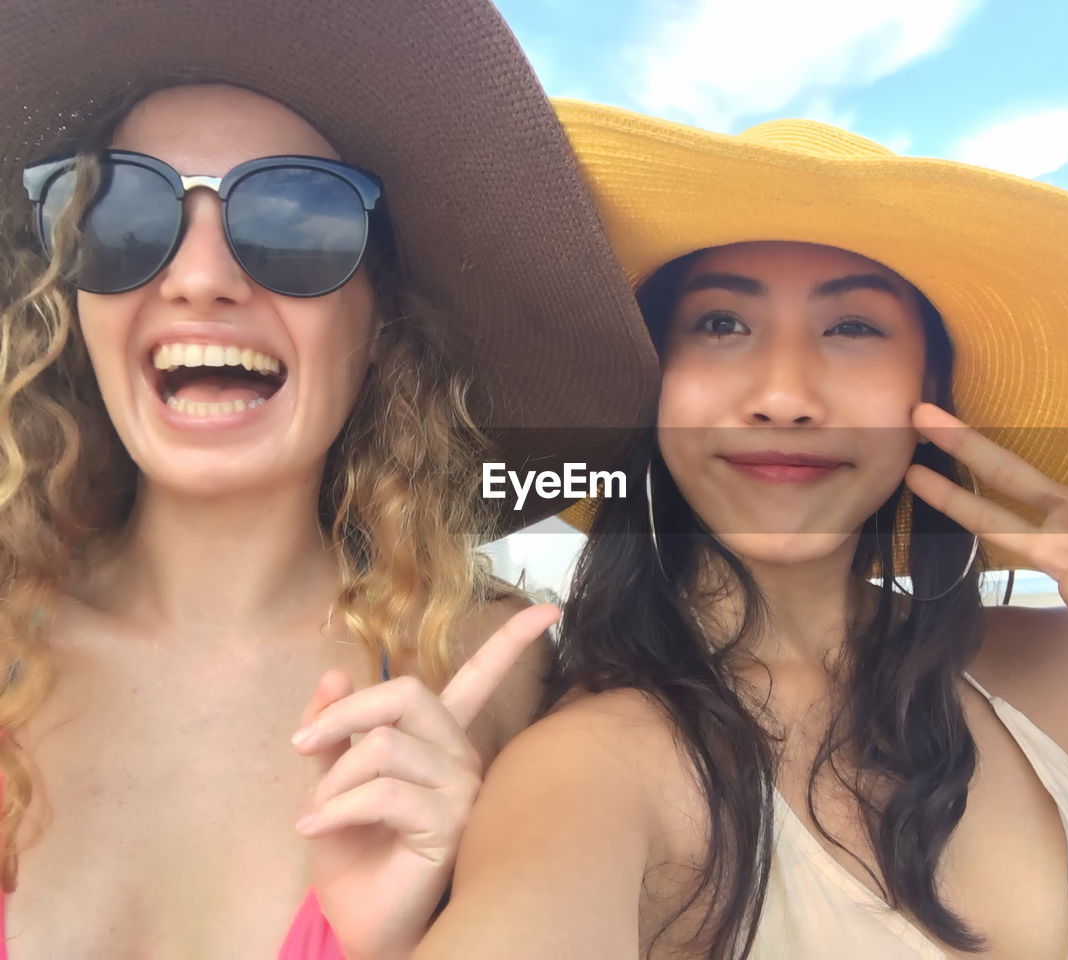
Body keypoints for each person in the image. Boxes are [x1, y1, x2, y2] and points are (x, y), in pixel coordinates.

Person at [415, 102, 1068, 959]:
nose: (784, 395)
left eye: (853, 327)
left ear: (929, 393)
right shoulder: (593, 767)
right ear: (655, 385)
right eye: (721, 324)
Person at [0, 5, 656, 957]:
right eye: (122, 216)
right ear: (69, 293)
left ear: (383, 318)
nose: (199, 278)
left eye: (294, 218)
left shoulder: (500, 683)